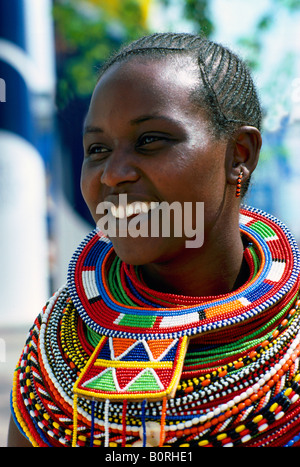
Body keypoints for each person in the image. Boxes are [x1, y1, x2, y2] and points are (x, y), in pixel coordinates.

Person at [8, 32, 300, 448]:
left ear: (240, 154)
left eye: (150, 141)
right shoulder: (54, 343)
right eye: (97, 148)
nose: (112, 174)